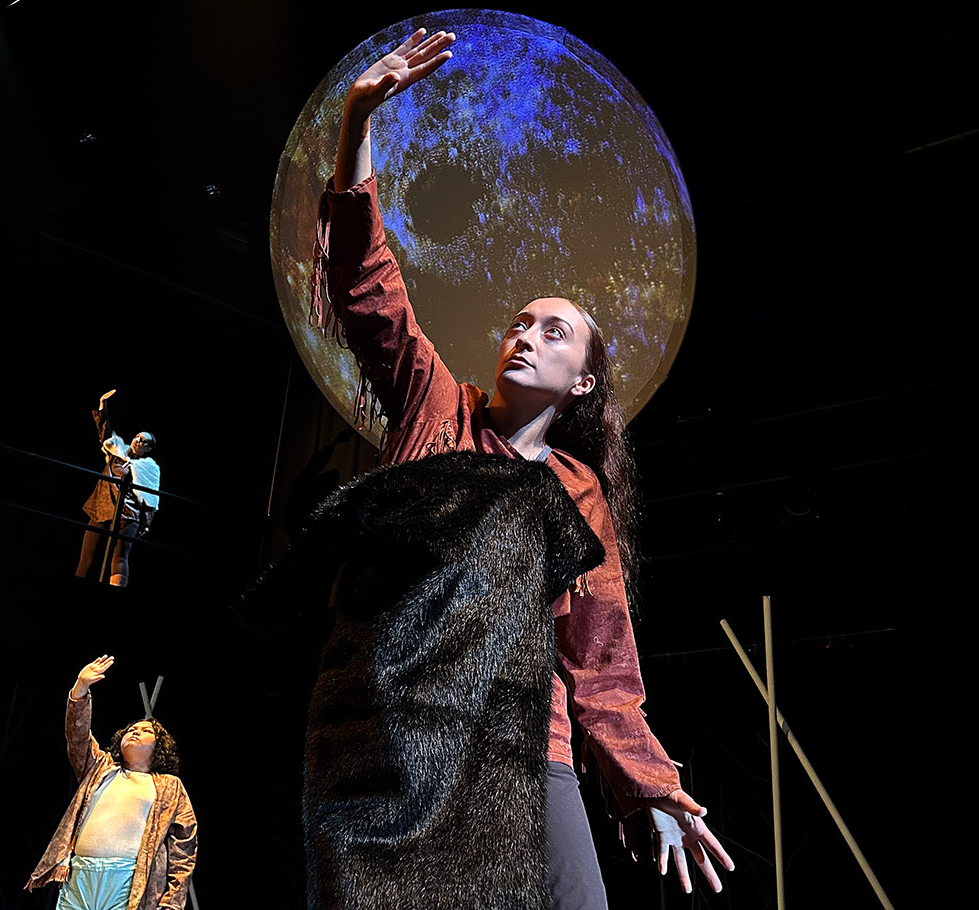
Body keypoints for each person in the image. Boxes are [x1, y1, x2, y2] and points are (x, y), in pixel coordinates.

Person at [312, 28, 735, 905]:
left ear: (582, 381)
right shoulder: (436, 405)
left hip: (526, 748)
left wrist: (647, 788)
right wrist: (357, 123)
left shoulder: (579, 497)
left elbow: (603, 667)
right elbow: (366, 284)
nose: (523, 335)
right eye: (519, 321)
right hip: (404, 735)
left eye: (553, 331)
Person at [26, 655, 197, 910]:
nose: (134, 731)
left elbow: (184, 849)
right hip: (80, 877)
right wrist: (80, 689)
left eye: (145, 730)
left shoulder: (168, 786)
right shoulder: (100, 768)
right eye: (131, 729)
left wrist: (172, 901)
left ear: (159, 748)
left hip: (127, 881)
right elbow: (78, 737)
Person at [75, 389, 160, 587]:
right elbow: (104, 433)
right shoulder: (118, 451)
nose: (138, 440)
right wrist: (103, 406)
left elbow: (151, 497)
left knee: (119, 557)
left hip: (127, 513)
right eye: (138, 436)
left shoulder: (149, 467)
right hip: (103, 508)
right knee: (87, 557)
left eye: (143, 441)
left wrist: (146, 522)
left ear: (148, 448)